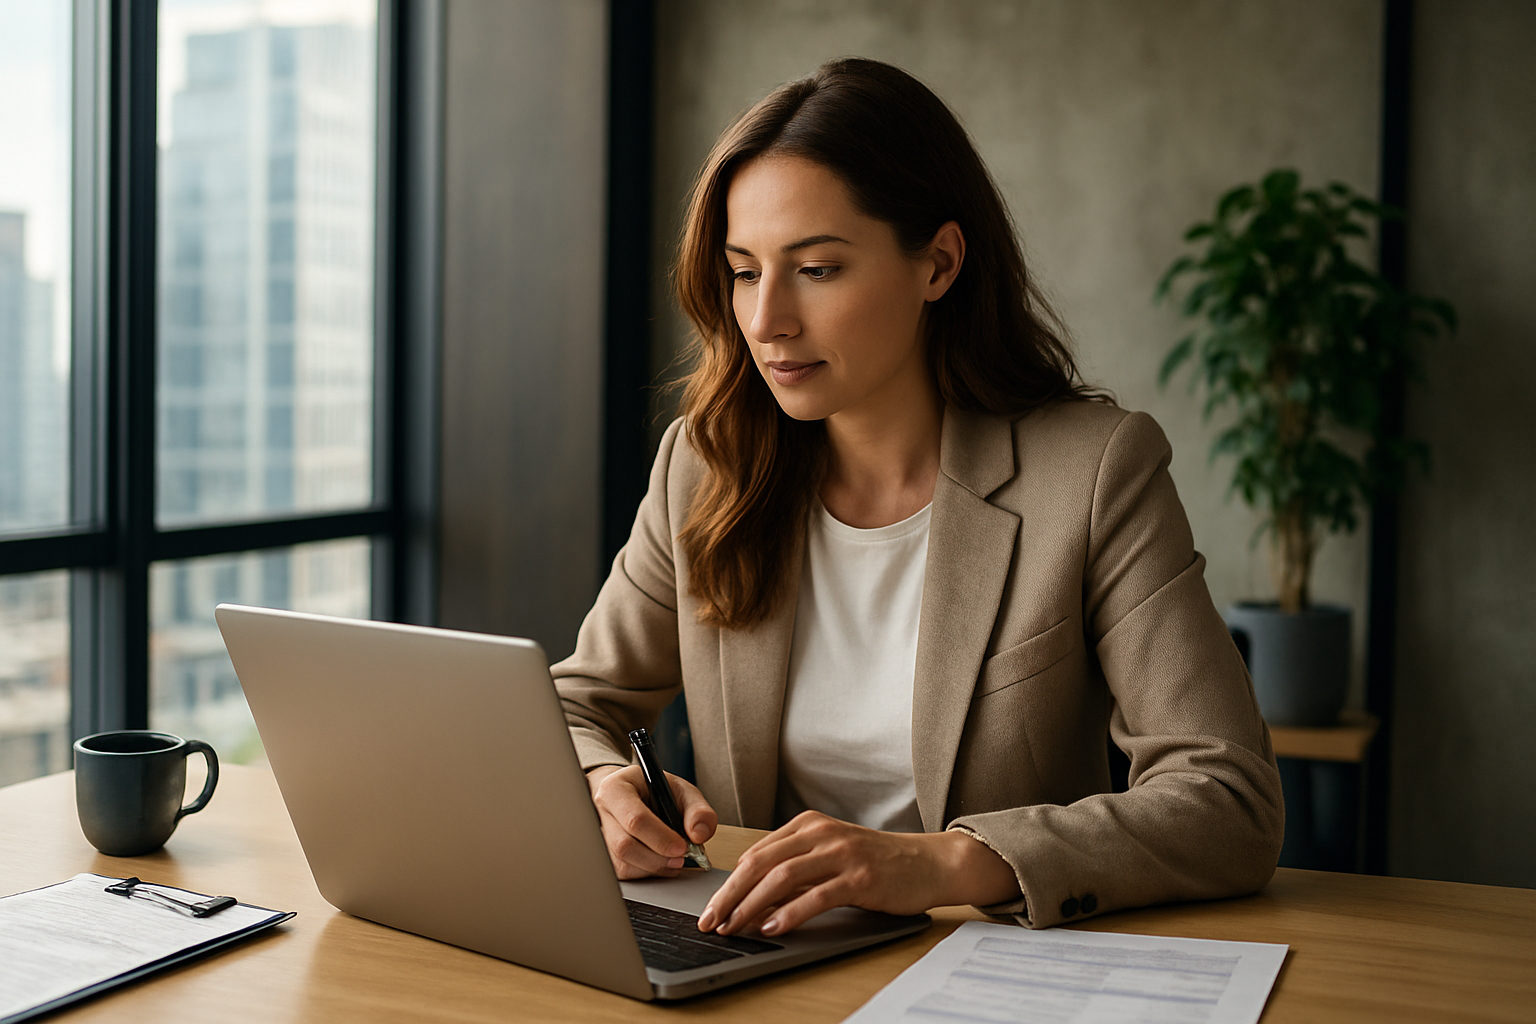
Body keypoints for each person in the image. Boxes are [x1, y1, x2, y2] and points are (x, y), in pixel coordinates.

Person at [553, 57, 1283, 938]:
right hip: (759, 958)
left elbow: (1228, 796)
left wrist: (939, 863)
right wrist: (604, 785)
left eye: (817, 269)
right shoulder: (706, 466)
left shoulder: (1094, 473)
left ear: (938, 264)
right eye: (744, 272)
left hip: (990, 966)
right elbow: (576, 704)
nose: (766, 319)